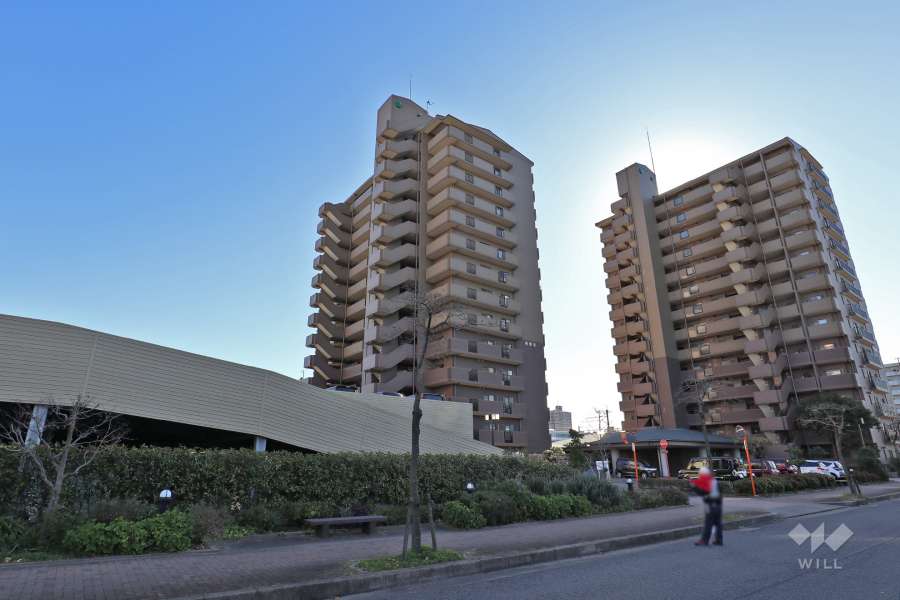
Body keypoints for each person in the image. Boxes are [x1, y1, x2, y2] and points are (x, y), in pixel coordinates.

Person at [691, 466, 723, 546]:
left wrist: (694, 487)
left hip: (710, 505)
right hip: (718, 505)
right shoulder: (715, 481)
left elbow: (703, 492)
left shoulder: (708, 482)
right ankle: (719, 540)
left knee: (708, 523)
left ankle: (704, 540)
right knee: (717, 523)